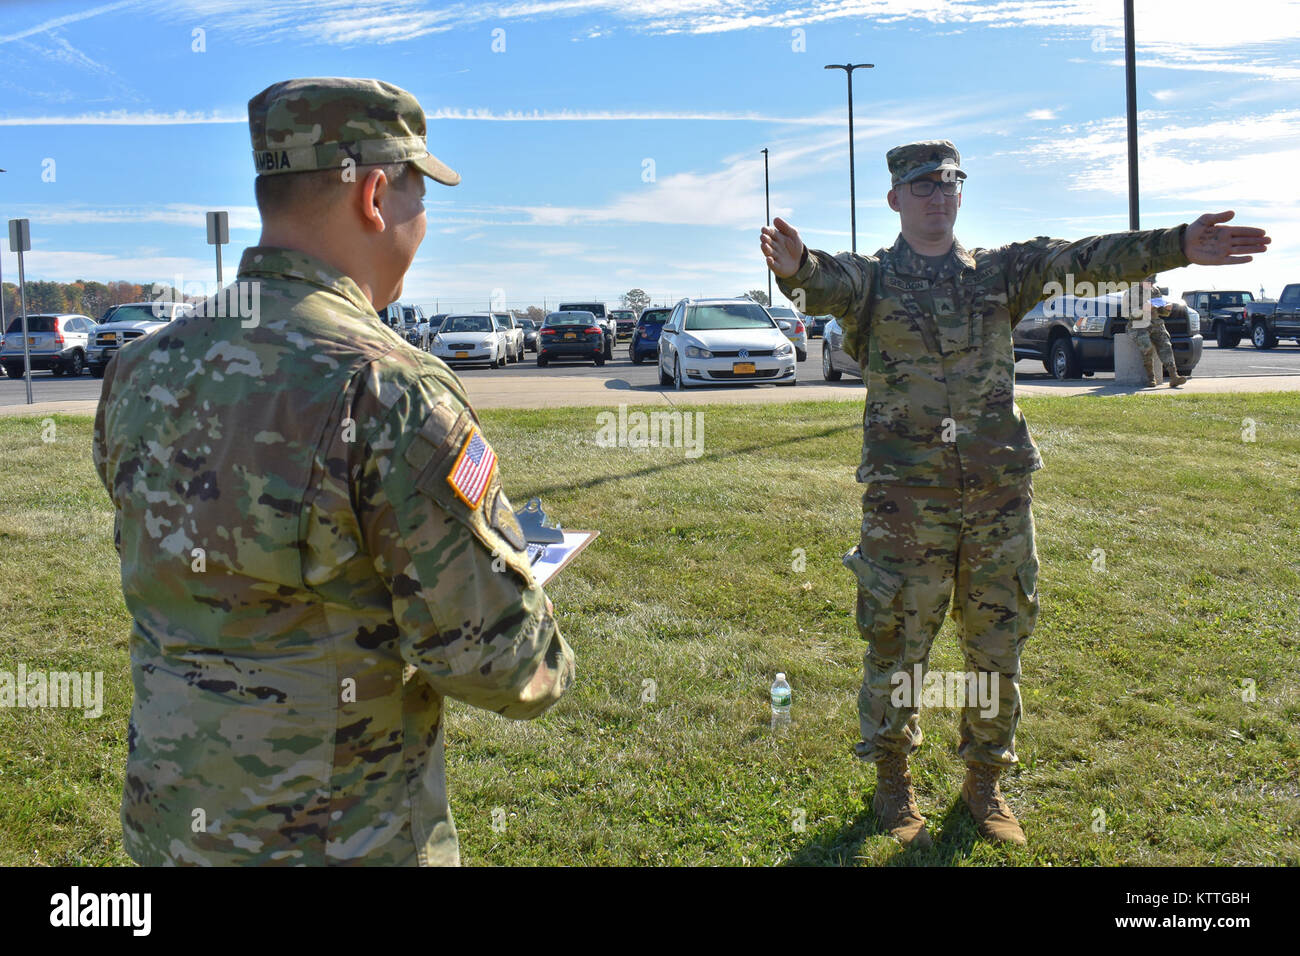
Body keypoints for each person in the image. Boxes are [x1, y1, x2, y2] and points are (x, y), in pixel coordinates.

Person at [93, 77, 574, 866]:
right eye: (423, 199)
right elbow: (499, 661)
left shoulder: (139, 370)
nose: (423, 228)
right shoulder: (390, 385)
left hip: (171, 832)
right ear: (376, 195)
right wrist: (525, 591)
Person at [760, 140, 1269, 848]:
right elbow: (824, 282)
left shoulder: (999, 274)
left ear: (960, 193)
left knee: (997, 645)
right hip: (906, 507)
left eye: (949, 183)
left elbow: (1085, 258)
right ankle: (892, 781)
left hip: (998, 499)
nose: (938, 195)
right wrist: (796, 270)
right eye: (922, 185)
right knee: (898, 645)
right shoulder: (873, 281)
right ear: (895, 199)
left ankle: (984, 781)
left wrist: (1177, 244)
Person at [1125, 275, 1187, 387]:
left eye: (1152, 282)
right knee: (1146, 346)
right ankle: (1151, 378)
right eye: (1148, 281)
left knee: (1166, 345)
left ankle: (1174, 377)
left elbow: (1161, 311)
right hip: (1138, 324)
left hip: (1155, 323)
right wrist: (1142, 309)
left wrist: (1167, 309)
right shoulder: (1131, 293)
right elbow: (1127, 315)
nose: (1151, 284)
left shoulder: (1155, 290)